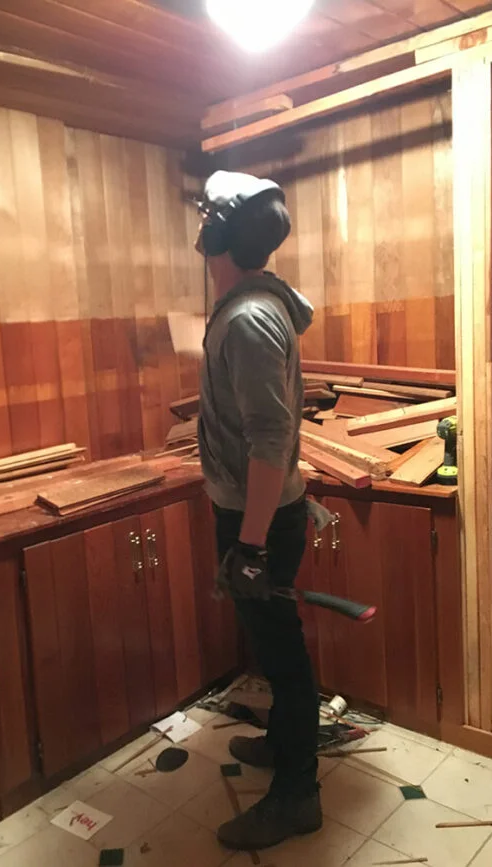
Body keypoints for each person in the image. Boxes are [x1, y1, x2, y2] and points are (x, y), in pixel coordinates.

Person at [196, 170, 326, 851]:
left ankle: (297, 795)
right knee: (276, 648)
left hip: (260, 519)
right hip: (264, 513)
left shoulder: (247, 318)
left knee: (283, 652)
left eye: (203, 220)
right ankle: (283, 743)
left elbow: (270, 438)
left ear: (215, 234)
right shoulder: (260, 305)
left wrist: (247, 547)